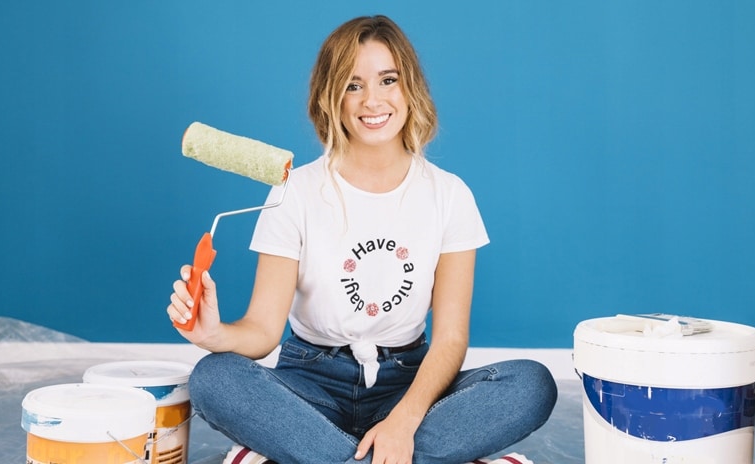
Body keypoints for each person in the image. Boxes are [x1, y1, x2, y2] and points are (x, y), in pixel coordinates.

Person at [166, 14, 557, 464]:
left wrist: (404, 421)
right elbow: (263, 331)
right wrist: (214, 333)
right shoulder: (295, 191)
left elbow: (450, 338)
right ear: (330, 98)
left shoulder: (450, 195)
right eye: (353, 85)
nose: (372, 100)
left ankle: (323, 455)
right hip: (310, 386)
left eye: (388, 80)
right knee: (214, 378)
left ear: (410, 88)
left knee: (532, 384)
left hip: (408, 386)